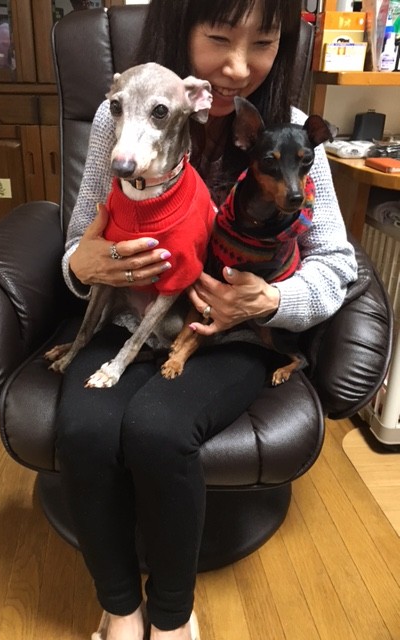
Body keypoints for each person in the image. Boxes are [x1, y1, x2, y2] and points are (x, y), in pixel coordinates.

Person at [55, 1, 358, 639]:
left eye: (263, 43)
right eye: (219, 37)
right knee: (83, 427)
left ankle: (171, 617)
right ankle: (119, 607)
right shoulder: (126, 112)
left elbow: (337, 263)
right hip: (133, 314)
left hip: (234, 332)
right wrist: (83, 263)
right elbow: (81, 240)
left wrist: (269, 302)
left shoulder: (294, 137)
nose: (238, 67)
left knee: (158, 429)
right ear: (180, 30)